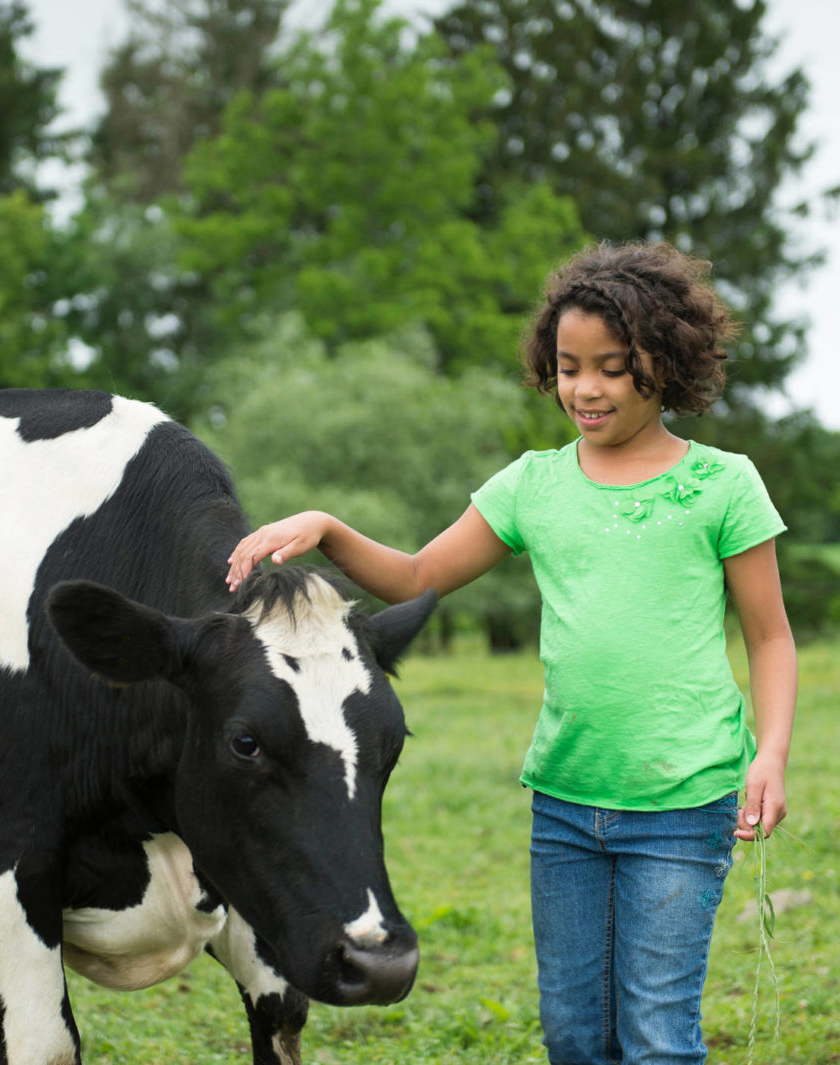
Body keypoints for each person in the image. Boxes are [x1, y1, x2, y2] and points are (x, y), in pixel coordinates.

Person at [224, 241, 797, 1065]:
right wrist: (328, 528)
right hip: (565, 803)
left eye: (612, 368)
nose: (585, 389)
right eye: (568, 368)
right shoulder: (533, 484)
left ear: (665, 362)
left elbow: (770, 636)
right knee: (573, 1035)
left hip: (683, 801)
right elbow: (418, 575)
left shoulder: (724, 485)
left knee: (657, 1035)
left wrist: (770, 752)